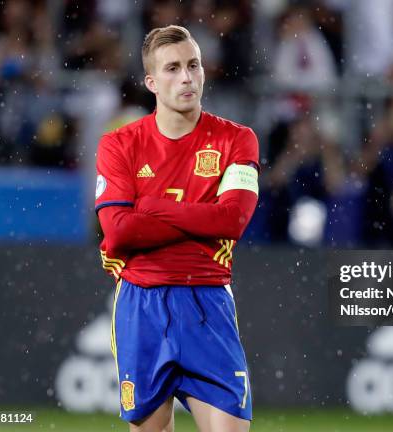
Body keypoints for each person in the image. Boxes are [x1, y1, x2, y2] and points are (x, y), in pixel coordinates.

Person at [94, 25, 259, 432]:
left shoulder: (237, 140)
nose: (186, 77)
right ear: (151, 82)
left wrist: (151, 208)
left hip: (207, 302)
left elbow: (232, 221)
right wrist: (198, 215)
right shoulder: (119, 144)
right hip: (141, 303)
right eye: (172, 68)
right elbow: (118, 233)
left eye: (193, 65)